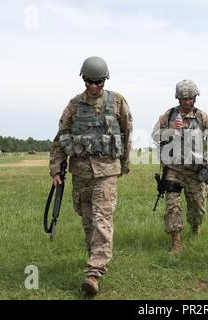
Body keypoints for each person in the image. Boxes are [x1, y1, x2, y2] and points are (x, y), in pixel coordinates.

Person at [49, 56, 132, 295]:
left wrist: (123, 165)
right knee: (87, 221)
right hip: (81, 173)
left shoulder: (117, 102)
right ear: (83, 79)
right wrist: (56, 169)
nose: (94, 86)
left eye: (98, 82)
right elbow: (60, 138)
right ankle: (95, 259)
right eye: (89, 81)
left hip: (106, 173)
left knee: (102, 220)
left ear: (104, 80)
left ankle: (94, 272)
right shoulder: (74, 105)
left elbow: (126, 133)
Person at [152, 79, 208, 254]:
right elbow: (155, 136)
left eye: (191, 98)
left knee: (198, 208)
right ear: (178, 98)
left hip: (196, 171)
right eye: (184, 99)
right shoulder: (168, 116)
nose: (187, 102)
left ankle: (195, 227)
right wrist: (169, 129)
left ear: (195, 98)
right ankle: (176, 241)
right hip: (174, 170)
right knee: (173, 206)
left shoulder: (202, 117)